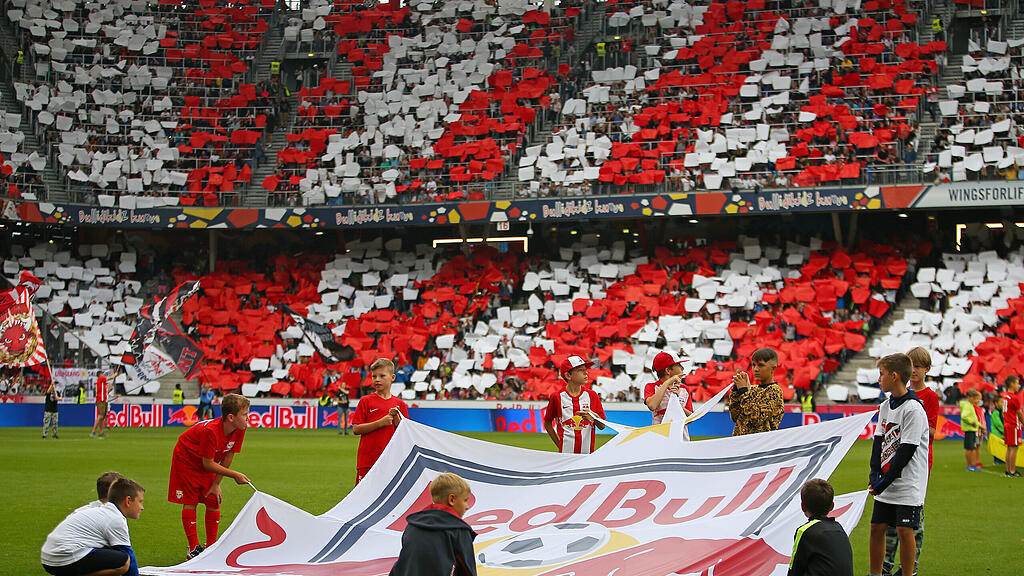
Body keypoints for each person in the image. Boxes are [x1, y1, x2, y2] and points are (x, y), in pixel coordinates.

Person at [168, 393, 251, 559]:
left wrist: (216, 483)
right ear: (231, 417)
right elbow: (208, 464)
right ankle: (193, 548)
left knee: (212, 498)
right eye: (244, 414)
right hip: (187, 460)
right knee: (190, 501)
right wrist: (235, 475)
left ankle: (212, 546)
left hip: (208, 461)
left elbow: (228, 457)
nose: (248, 418)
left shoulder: (240, 429)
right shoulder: (211, 431)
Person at [868, 354, 929, 576]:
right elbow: (878, 441)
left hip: (908, 482)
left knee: (905, 530)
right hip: (886, 481)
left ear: (894, 376)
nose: (879, 379)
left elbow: (906, 451)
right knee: (877, 528)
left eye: (882, 374)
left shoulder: (913, 409)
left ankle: (908, 573)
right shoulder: (885, 406)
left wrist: (884, 481)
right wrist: (874, 473)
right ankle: (875, 573)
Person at [882, 347, 938, 576]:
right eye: (911, 365)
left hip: (918, 463)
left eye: (919, 366)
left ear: (927, 370)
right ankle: (886, 564)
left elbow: (932, 430)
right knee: (889, 520)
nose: (914, 370)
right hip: (894, 460)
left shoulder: (929, 397)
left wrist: (914, 426)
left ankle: (909, 567)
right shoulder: (894, 396)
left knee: (913, 519)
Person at [41, 477, 145, 576]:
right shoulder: (115, 518)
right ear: (128, 501)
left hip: (48, 558)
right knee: (124, 562)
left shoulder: (103, 511)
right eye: (140, 501)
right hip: (63, 557)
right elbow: (128, 554)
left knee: (111, 552)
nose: (142, 507)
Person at [389, 472, 476, 576]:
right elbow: (468, 570)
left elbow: (404, 562)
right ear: (451, 499)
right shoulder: (459, 530)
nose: (467, 506)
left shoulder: (412, 526)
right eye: (465, 500)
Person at [352, 358, 409, 484]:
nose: (377, 379)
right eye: (374, 376)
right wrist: (380, 423)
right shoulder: (365, 401)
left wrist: (396, 419)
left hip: (391, 460)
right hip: (367, 460)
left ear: (392, 377)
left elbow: (404, 434)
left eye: (382, 376)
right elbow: (356, 429)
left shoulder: (400, 404)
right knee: (362, 498)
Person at [787, 479, 853, 576]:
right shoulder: (839, 528)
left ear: (803, 507)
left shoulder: (805, 531)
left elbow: (795, 570)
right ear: (832, 506)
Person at [543, 355, 606, 454]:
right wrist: (559, 444)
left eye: (585, 369)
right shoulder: (557, 397)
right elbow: (547, 423)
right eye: (580, 370)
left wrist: (593, 417)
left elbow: (602, 426)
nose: (586, 372)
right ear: (568, 375)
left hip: (587, 457)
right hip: (565, 456)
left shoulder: (592, 395)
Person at [729, 348, 784, 436]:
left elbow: (757, 418)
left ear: (773, 369)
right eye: (753, 365)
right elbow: (734, 416)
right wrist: (736, 392)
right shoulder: (752, 389)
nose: (755, 369)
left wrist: (743, 391)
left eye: (761, 365)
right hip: (740, 443)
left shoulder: (774, 391)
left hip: (759, 445)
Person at [644, 351, 693, 433]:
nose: (682, 368)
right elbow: (652, 405)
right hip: (660, 437)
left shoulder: (684, 389)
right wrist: (667, 383)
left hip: (680, 438)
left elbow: (691, 419)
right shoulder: (651, 387)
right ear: (667, 370)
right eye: (678, 365)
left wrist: (677, 403)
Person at [960, 389, 985, 472]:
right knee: (969, 448)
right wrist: (973, 423)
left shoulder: (969, 406)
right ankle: (969, 465)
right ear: (969, 398)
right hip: (969, 430)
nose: (977, 401)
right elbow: (964, 417)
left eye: (978, 399)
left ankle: (972, 465)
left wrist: (977, 424)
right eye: (975, 398)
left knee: (972, 448)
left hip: (972, 429)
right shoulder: (967, 406)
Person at [1003, 375, 1022, 477]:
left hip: (1007, 423)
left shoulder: (1005, 396)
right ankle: (1012, 471)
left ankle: (1008, 470)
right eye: (1017, 383)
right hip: (1013, 425)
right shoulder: (1014, 397)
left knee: (1009, 448)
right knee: (1014, 448)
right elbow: (1019, 413)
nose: (1019, 385)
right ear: (1012, 384)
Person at [91, 369, 114, 439]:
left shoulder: (102, 383)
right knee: (100, 416)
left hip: (104, 400)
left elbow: (106, 392)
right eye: (102, 373)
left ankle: (101, 432)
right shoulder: (100, 380)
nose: (103, 374)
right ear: (100, 375)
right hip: (101, 400)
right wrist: (115, 375)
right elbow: (110, 378)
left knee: (102, 417)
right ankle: (93, 431)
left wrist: (110, 389)